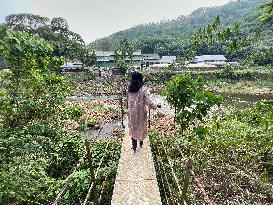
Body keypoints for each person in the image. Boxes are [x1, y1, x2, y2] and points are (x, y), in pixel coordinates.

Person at [127, 72, 160, 153]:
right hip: (140, 113)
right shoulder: (144, 89)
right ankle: (141, 143)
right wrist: (156, 106)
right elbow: (149, 103)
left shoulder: (129, 89)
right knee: (141, 127)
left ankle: (134, 147)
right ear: (141, 79)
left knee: (133, 128)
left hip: (132, 113)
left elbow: (128, 99)